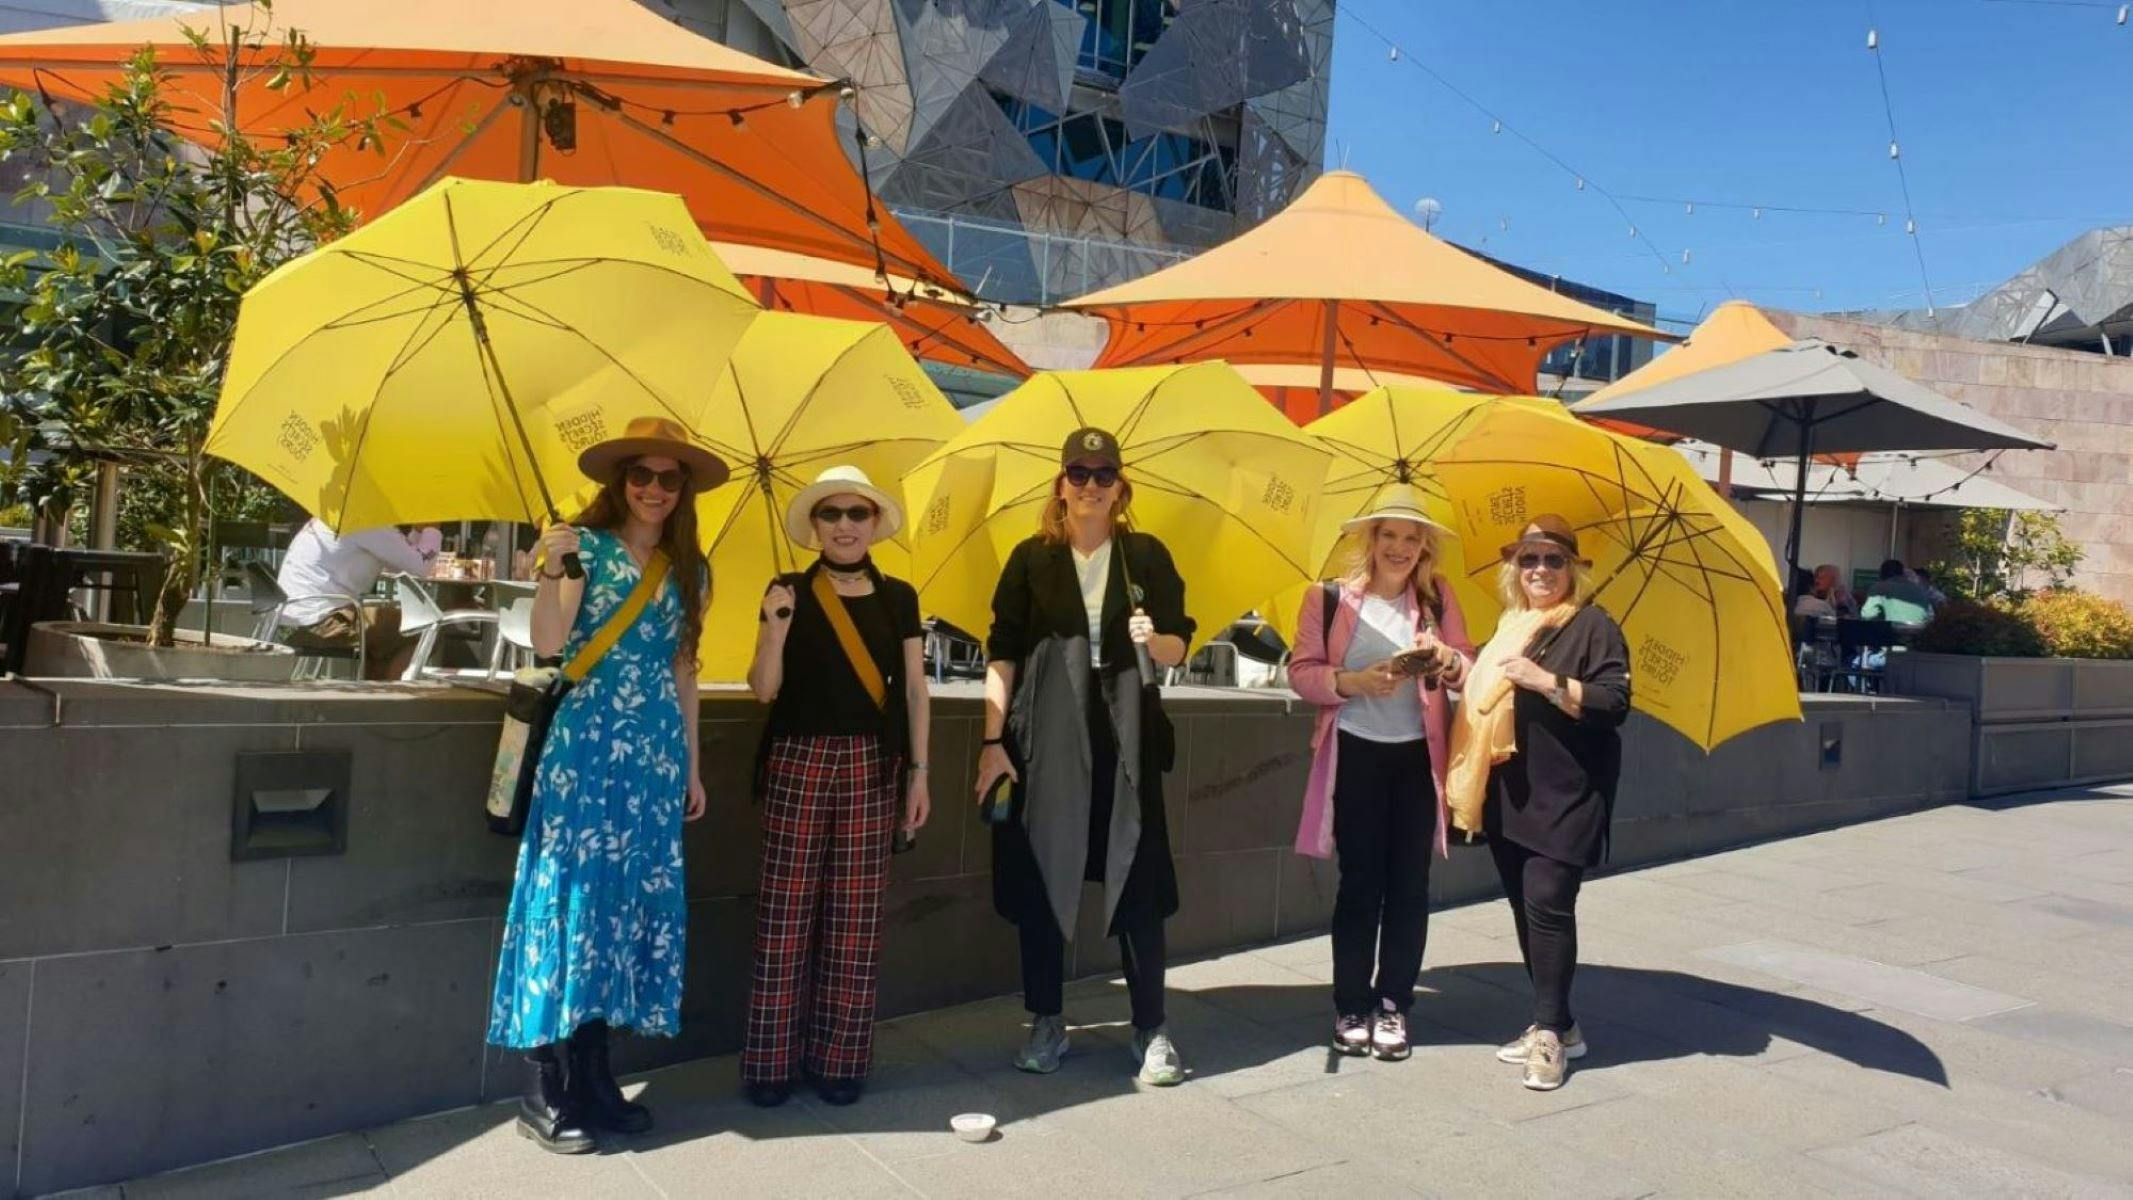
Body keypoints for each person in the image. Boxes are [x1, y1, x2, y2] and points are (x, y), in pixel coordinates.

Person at [487, 417, 724, 1154]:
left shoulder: (693, 569)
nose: (653, 489)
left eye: (668, 478)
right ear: (618, 481)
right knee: (569, 899)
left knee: (619, 907)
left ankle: (594, 1073)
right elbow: (550, 645)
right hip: (584, 747)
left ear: (683, 490)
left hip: (650, 755)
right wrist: (554, 569)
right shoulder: (579, 548)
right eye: (641, 475)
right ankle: (543, 1081)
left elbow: (685, 669)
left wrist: (689, 763)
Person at [975, 427, 1194, 1086]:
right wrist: (991, 743)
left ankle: (1151, 1027)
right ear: (1060, 485)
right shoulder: (1030, 558)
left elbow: (1182, 641)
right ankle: (1046, 1020)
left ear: (1120, 488)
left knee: (1138, 880)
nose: (1090, 485)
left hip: (1126, 733)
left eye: (1103, 475)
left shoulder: (1144, 557)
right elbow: (1002, 651)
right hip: (1045, 738)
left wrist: (1154, 640)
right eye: (1078, 473)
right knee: (1044, 876)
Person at [742, 466, 932, 1109]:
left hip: (873, 765)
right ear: (815, 526)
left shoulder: (900, 596)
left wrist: (920, 773)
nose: (845, 525)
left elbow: (914, 690)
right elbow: (763, 688)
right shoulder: (786, 589)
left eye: (858, 514)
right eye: (832, 514)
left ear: (875, 524)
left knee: (856, 919)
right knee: (783, 914)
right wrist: (774, 626)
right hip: (797, 758)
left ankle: (841, 1061)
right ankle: (768, 1061)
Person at [1286, 488, 1474, 1060]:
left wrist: (1443, 658)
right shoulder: (1328, 599)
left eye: (1411, 538)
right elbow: (1301, 673)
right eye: (1389, 535)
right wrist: (1351, 682)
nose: (1399, 547)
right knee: (1361, 883)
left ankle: (1394, 1005)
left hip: (1419, 760)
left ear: (1425, 549)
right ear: (1370, 540)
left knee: (1409, 887)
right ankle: (1351, 1004)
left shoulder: (1439, 599)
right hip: (1357, 754)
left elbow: (1469, 670)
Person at [1445, 515, 1630, 1092]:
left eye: (1553, 560)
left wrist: (1547, 681)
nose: (1541, 570)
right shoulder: (1509, 625)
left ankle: (1549, 1034)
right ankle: (1560, 1022)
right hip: (1507, 788)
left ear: (1572, 569)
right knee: (1528, 909)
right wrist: (1449, 665)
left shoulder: (1593, 625)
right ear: (1514, 569)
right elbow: (1482, 687)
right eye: (1529, 560)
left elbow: (1614, 701)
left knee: (1549, 905)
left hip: (1566, 792)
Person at [274, 518, 430, 679]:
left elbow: (399, 561)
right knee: (421, 627)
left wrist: (418, 532)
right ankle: (393, 699)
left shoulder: (332, 518)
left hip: (288, 622)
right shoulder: (368, 523)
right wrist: (433, 530)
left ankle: (374, 696)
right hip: (321, 623)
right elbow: (420, 568)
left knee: (385, 632)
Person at [1861, 558, 1936, 628]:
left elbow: (1867, 615)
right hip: (1916, 637)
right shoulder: (1919, 590)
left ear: (1881, 574)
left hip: (1888, 637)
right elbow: (1929, 618)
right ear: (1902, 574)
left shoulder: (1878, 588)